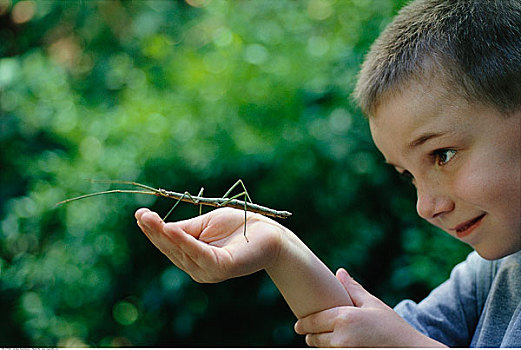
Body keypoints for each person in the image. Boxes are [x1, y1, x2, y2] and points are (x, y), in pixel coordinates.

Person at [135, 0, 521, 347]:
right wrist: (279, 249)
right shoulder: (489, 275)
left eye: (443, 154)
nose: (424, 206)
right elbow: (362, 334)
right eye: (408, 175)